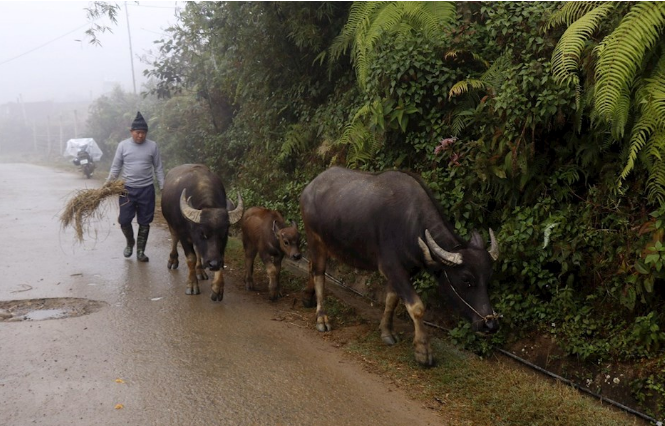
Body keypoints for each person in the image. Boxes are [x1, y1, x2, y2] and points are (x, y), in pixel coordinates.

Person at [106, 111, 165, 262]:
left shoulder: (153, 146)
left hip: (146, 190)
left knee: (145, 222)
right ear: (131, 132)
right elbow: (115, 168)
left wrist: (163, 187)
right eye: (138, 132)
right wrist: (107, 184)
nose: (141, 136)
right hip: (126, 190)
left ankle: (140, 251)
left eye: (143, 133)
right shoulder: (123, 146)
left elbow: (158, 168)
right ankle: (130, 242)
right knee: (124, 220)